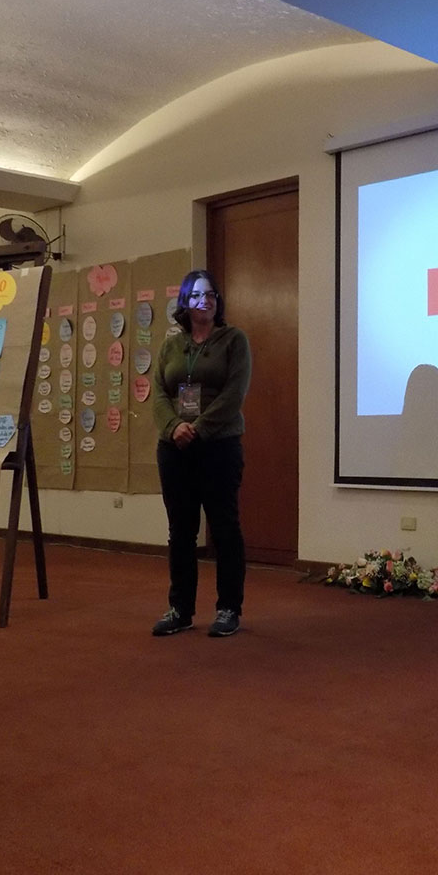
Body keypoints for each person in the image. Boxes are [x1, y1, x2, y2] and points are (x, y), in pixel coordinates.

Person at [150, 269, 252, 637]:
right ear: (185, 302)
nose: (204, 300)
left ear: (217, 301)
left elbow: (234, 393)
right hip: (174, 448)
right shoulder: (171, 346)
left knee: (224, 528)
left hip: (218, 446)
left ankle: (228, 609)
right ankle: (180, 609)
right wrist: (173, 427)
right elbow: (159, 393)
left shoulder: (233, 340)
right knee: (180, 531)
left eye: (210, 294)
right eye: (196, 295)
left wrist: (198, 429)